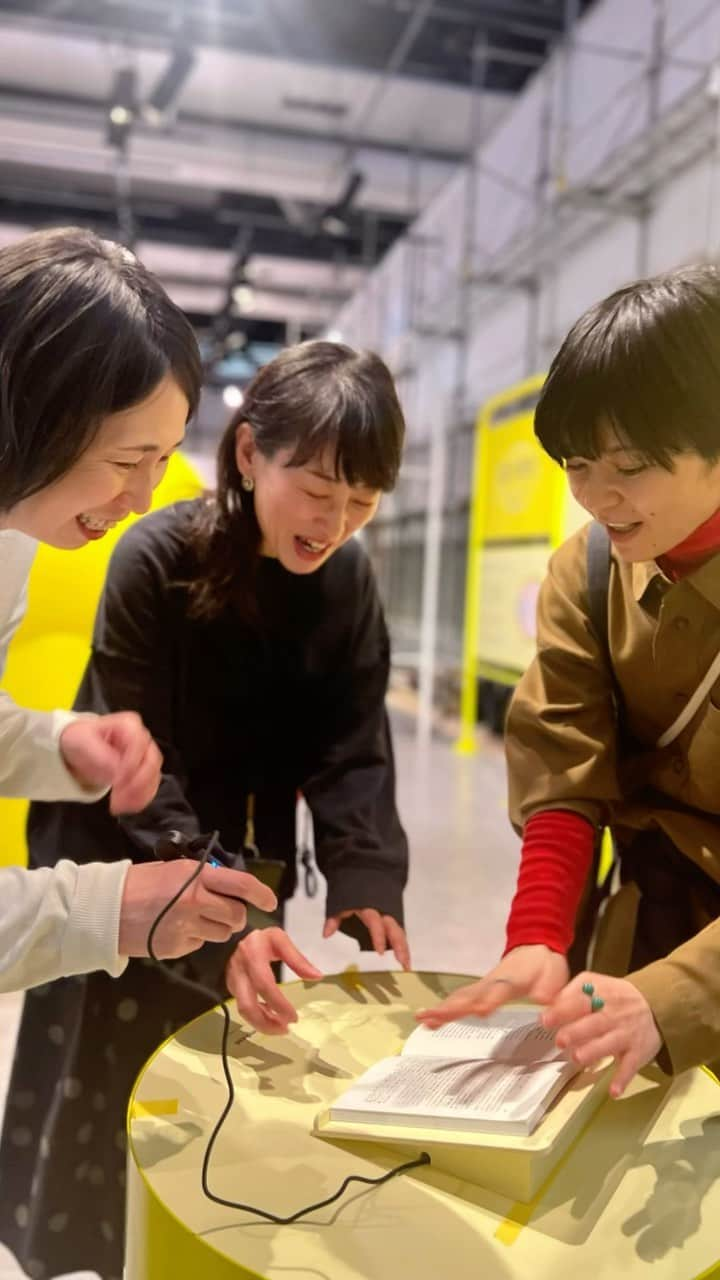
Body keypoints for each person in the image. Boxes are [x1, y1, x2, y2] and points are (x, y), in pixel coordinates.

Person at [1, 338, 410, 1278]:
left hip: (239, 864)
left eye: (362, 499)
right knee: (103, 1083)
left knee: (222, 1074)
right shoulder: (157, 553)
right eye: (316, 488)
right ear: (248, 454)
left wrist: (363, 871)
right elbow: (139, 746)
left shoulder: (346, 581)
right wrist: (202, 875)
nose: (336, 520)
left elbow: (354, 744)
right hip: (129, 853)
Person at [418, 264, 720, 1098]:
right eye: (578, 464)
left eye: (631, 465)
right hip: (636, 933)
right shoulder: (587, 571)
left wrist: (674, 999)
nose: (599, 497)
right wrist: (540, 938)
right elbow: (564, 766)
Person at [0, 226, 275, 998]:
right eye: (126, 462)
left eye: (164, 460)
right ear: (29, 417)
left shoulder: (15, 532)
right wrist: (112, 908)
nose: (143, 501)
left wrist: (59, 745)